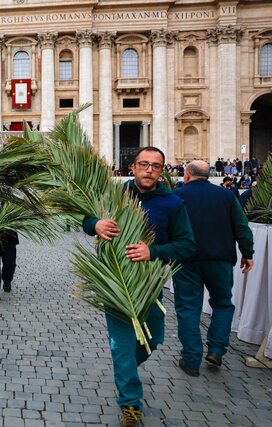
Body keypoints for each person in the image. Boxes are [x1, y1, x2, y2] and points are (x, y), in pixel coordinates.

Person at [82, 147, 196, 427]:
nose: (148, 170)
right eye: (143, 164)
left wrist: (153, 252)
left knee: (152, 338)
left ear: (163, 171)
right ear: (132, 167)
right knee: (122, 346)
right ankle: (130, 402)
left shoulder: (173, 203)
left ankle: (125, 370)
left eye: (155, 166)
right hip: (114, 280)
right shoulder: (113, 195)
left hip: (149, 283)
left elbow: (187, 245)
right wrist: (95, 224)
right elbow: (84, 219)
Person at [173, 161, 254, 376]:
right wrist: (248, 253)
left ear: (187, 175)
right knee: (222, 304)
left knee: (188, 308)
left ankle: (191, 360)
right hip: (219, 259)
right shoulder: (226, 196)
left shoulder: (177, 196)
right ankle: (216, 350)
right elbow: (241, 227)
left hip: (186, 259)